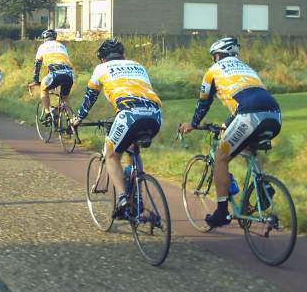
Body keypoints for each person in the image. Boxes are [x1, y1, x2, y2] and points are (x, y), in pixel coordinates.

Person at [179, 37, 282, 228]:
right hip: (274, 115)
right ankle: (262, 185)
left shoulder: (213, 71)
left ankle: (221, 212)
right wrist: (227, 124)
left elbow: (204, 102)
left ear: (217, 56)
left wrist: (193, 124)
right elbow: (251, 100)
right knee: (249, 147)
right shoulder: (248, 69)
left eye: (213, 57)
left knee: (220, 157)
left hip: (248, 116)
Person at [71, 39, 162, 217]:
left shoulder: (101, 69)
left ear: (102, 59)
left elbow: (90, 97)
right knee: (133, 148)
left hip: (128, 114)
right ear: (123, 55)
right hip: (155, 114)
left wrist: (78, 118)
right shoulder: (138, 65)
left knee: (111, 155)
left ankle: (122, 199)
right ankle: (138, 197)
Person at [29, 29, 74, 124]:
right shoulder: (62, 46)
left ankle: (48, 114)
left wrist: (36, 80)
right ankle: (71, 123)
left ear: (44, 38)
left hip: (55, 73)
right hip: (69, 73)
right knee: (64, 98)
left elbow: (37, 64)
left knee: (43, 88)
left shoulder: (42, 47)